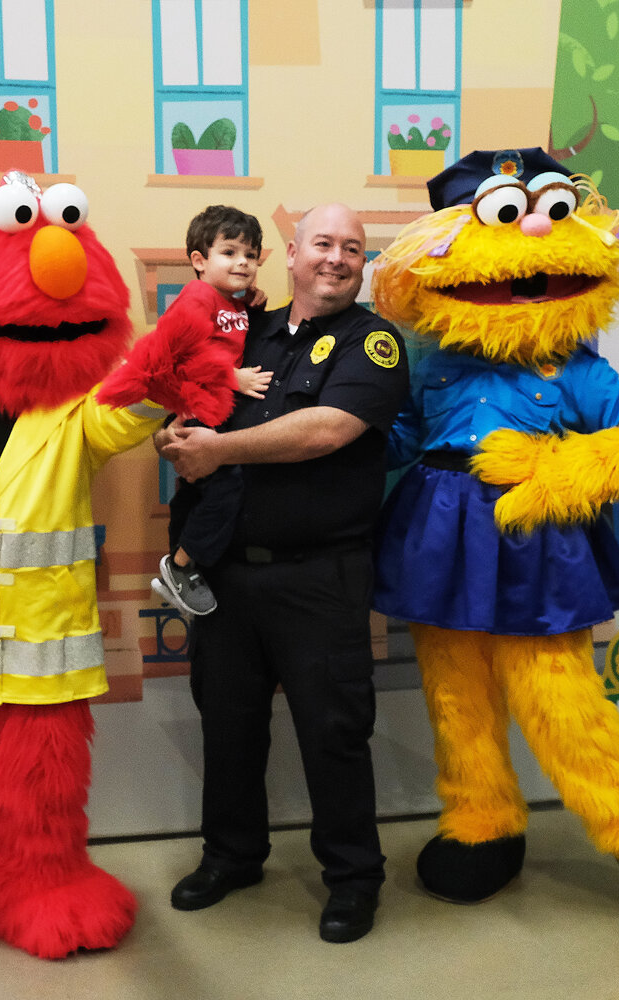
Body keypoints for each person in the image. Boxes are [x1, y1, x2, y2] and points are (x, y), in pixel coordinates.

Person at [157, 203, 410, 944]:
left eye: (353, 250)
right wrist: (173, 433)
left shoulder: (377, 343)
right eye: (323, 244)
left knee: (333, 731)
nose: (337, 258)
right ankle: (231, 856)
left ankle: (354, 878)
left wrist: (219, 451)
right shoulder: (246, 331)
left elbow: (329, 429)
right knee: (228, 725)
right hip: (225, 575)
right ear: (290, 255)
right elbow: (191, 401)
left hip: (319, 576)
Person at [149, 205, 272, 617]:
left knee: (198, 490)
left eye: (251, 255)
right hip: (203, 405)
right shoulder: (196, 297)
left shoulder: (225, 302)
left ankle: (180, 555)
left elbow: (227, 334)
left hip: (213, 409)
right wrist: (231, 377)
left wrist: (249, 307)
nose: (243, 262)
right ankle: (181, 566)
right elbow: (178, 352)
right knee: (226, 487)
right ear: (199, 261)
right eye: (230, 252)